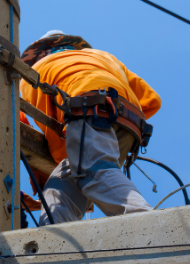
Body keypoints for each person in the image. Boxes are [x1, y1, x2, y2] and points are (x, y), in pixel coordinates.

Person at [20, 30, 161, 225]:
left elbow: (12, 118)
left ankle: (156, 227)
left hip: (88, 111)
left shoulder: (33, 73)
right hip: (132, 126)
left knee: (93, 171)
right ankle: (51, 246)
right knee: (60, 186)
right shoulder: (104, 57)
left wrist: (39, 175)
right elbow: (153, 101)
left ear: (40, 53)